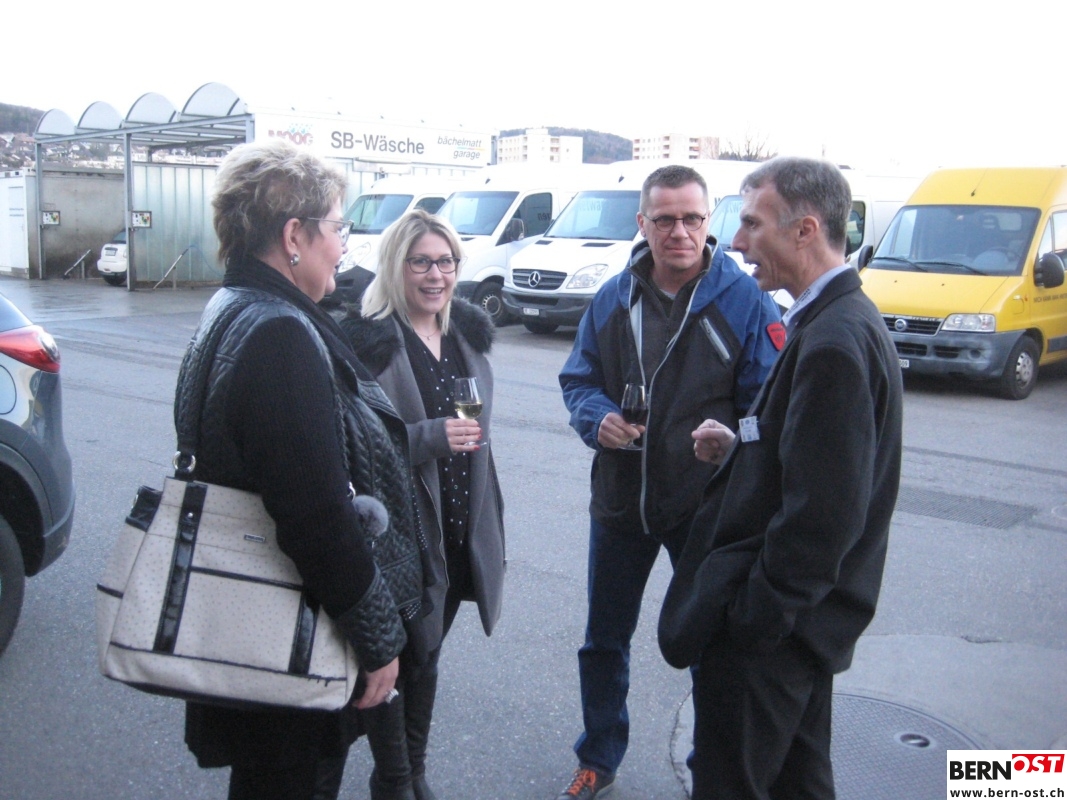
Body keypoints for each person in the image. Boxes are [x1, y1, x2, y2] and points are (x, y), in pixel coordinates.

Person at [175, 139, 424, 800]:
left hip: (253, 621)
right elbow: (316, 515)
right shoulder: (278, 334)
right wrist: (378, 638)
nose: (343, 247)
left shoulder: (233, 307)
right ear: (294, 236)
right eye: (337, 228)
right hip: (287, 636)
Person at [659, 157, 904, 800]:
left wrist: (753, 620)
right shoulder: (833, 320)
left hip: (777, 635)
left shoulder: (834, 342)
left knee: (729, 784)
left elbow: (823, 517)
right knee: (799, 784)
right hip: (802, 627)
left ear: (805, 230)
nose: (736, 242)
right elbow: (810, 460)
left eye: (751, 224)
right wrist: (743, 446)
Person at [555, 164, 783, 799]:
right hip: (621, 501)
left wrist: (732, 438)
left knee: (710, 643)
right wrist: (596, 417)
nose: (679, 232)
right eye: (664, 219)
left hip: (703, 506)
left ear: (709, 221)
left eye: (691, 218)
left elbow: (768, 404)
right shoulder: (613, 297)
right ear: (643, 223)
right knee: (604, 641)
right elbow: (579, 379)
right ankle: (598, 757)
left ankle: (711, 765)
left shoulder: (744, 299)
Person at [340, 209, 506, 800]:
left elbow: (480, 436)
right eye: (421, 263)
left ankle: (415, 771)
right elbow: (354, 447)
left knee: (428, 655)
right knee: (396, 659)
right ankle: (394, 780)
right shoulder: (368, 344)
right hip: (400, 540)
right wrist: (429, 437)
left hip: (457, 530)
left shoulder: (465, 335)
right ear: (395, 266)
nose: (436, 275)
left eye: (446, 261)